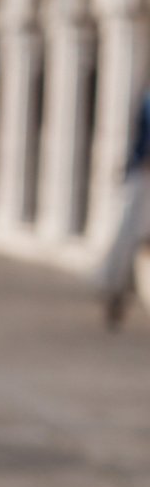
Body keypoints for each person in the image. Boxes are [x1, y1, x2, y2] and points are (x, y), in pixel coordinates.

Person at [95, 84, 150, 328]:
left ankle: (117, 293)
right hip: (145, 176)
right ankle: (116, 294)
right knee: (130, 240)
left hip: (142, 174)